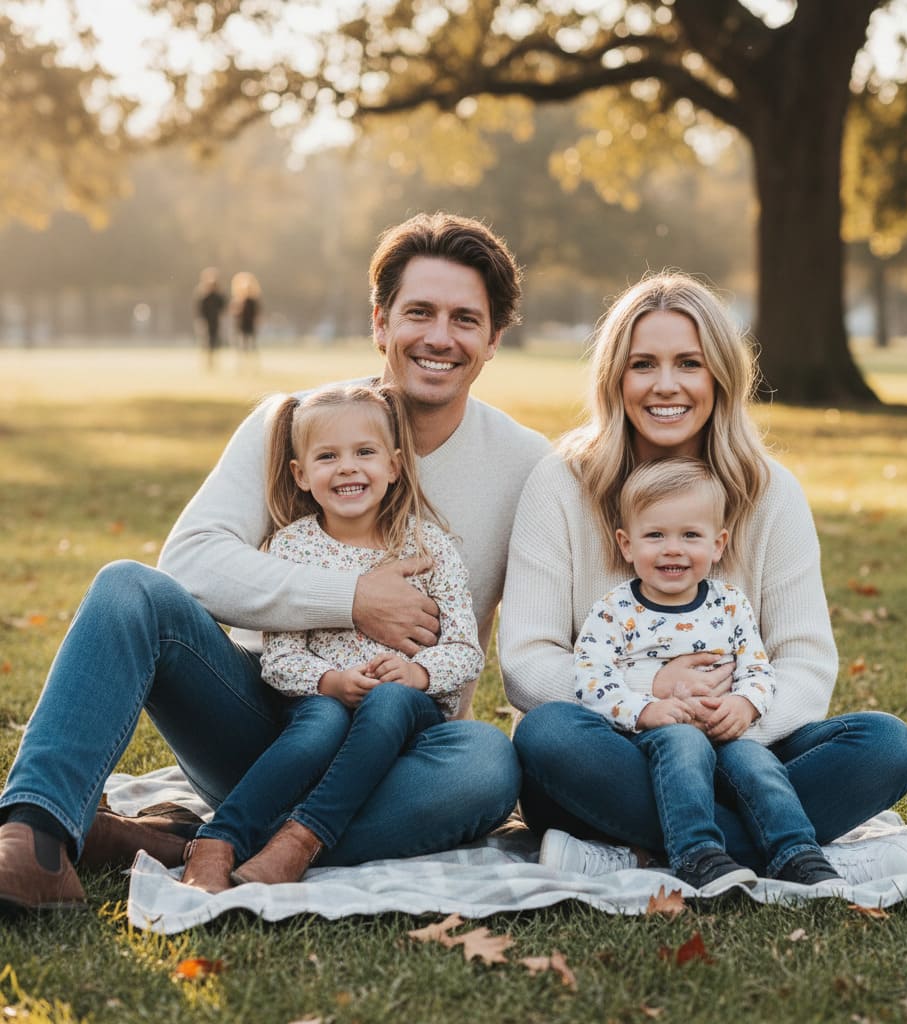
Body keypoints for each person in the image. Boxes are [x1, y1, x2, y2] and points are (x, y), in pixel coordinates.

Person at [0, 212, 550, 912]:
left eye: (465, 319)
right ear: (380, 322)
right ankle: (37, 840)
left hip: (402, 751)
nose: (440, 337)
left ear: (494, 338)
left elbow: (538, 638)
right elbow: (190, 562)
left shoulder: (527, 463)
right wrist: (352, 597)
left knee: (488, 763)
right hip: (271, 724)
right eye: (419, 312)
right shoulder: (292, 424)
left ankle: (194, 842)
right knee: (127, 589)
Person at [500, 272, 907, 888]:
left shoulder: (770, 492)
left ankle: (653, 852)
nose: (665, 385)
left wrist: (734, 713)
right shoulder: (561, 483)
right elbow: (525, 661)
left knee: (885, 745)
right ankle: (788, 845)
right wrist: (652, 699)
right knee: (546, 734)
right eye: (643, 363)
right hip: (614, 752)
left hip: (743, 750)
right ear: (615, 377)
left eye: (689, 363)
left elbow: (805, 661)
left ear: (720, 375)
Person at [180, 383, 484, 891]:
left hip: (410, 714)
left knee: (389, 702)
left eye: (364, 452)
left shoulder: (429, 546)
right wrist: (331, 682)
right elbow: (279, 661)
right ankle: (218, 839)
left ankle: (299, 840)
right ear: (301, 475)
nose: (347, 467)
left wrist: (417, 672)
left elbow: (466, 652)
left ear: (393, 465)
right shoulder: (292, 547)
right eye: (327, 456)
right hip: (320, 702)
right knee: (319, 721)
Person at [563, 457, 842, 893]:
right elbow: (591, 675)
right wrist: (646, 710)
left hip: (727, 732)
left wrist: (745, 704)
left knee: (758, 764)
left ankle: (797, 853)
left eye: (690, 535)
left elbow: (757, 667)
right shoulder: (615, 609)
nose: (672, 548)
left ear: (718, 544)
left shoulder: (730, 605)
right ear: (626, 544)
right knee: (683, 743)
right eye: (655, 535)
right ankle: (697, 854)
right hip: (654, 737)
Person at [195, 267, 226, 368]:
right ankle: (206, 362)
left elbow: (223, 307)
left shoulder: (218, 296)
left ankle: (213, 361)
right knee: (206, 342)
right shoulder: (203, 296)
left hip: (215, 322)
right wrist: (201, 321)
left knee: (214, 341)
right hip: (206, 322)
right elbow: (199, 310)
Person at [231, 271, 261, 356]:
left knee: (252, 343)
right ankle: (242, 360)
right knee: (241, 343)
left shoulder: (253, 301)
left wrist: (257, 321)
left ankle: (252, 360)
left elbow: (257, 313)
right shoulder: (238, 300)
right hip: (241, 325)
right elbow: (234, 313)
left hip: (250, 324)